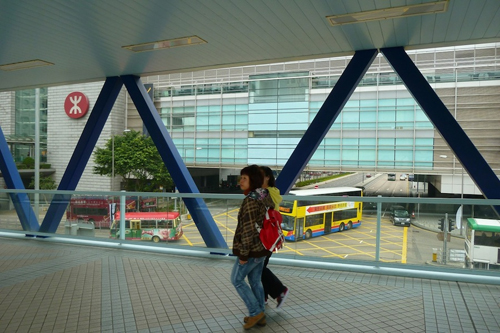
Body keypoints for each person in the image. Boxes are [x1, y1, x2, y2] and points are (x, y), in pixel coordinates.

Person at [231, 164, 273, 329]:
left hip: (251, 250)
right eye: (241, 177)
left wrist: (243, 255)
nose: (241, 181)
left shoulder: (250, 201)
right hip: (262, 248)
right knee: (255, 281)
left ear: (253, 180)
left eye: (244, 178)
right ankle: (260, 314)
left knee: (236, 280)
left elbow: (248, 231)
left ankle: (255, 312)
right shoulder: (262, 196)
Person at [260, 166, 290, 309]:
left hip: (264, 237)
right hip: (268, 236)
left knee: (258, 267)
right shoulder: (272, 192)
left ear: (267, 177)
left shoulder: (266, 193)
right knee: (260, 266)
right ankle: (264, 296)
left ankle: (280, 291)